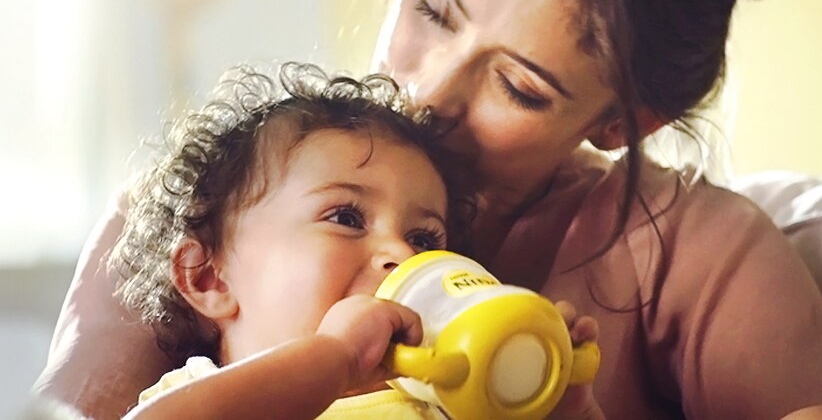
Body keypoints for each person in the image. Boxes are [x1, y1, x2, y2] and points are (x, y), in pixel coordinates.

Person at [34, 0, 822, 419]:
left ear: (626, 122)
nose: (426, 93)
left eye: (519, 87)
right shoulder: (221, 204)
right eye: (433, 12)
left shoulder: (692, 256)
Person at [53, 61, 598, 420]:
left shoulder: (448, 396)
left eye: (424, 239)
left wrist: (560, 397)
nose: (402, 255)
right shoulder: (205, 396)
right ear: (210, 277)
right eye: (345, 216)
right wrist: (332, 358)